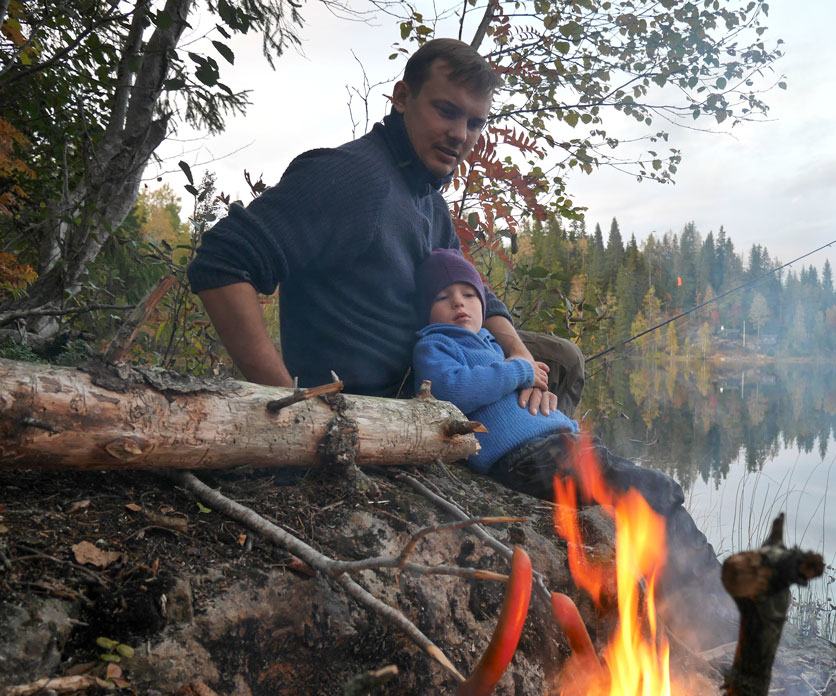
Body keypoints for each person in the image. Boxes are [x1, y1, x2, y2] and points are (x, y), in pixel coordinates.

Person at [186, 38, 583, 415]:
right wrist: (288, 402)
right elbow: (223, 260)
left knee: (560, 359)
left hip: (441, 363)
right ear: (403, 97)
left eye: (475, 123)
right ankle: (533, 455)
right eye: (446, 111)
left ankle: (540, 444)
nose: (461, 135)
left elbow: (479, 292)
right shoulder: (351, 177)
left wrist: (517, 351)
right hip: (379, 400)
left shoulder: (428, 199)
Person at [413, 249, 737, 649]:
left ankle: (716, 614)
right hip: (531, 458)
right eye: (443, 297)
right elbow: (451, 389)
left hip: (561, 447)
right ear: (426, 311)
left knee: (652, 498)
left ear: (484, 302)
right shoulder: (436, 346)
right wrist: (520, 369)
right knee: (654, 491)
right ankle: (718, 626)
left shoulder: (488, 344)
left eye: (468, 293)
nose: (459, 302)